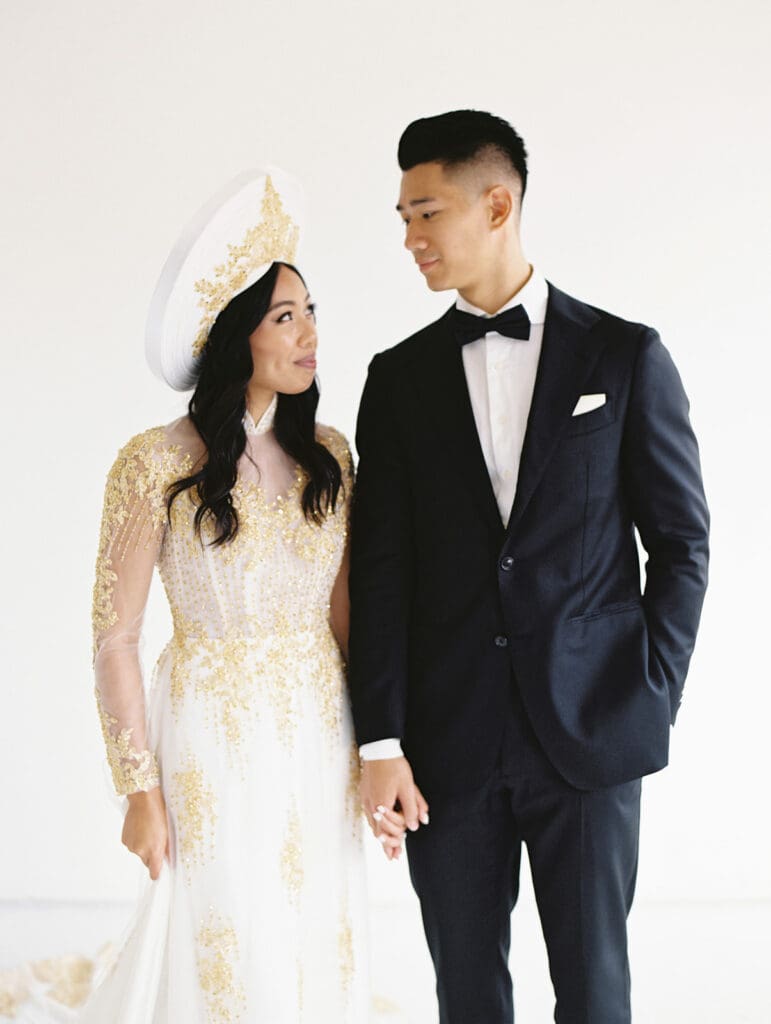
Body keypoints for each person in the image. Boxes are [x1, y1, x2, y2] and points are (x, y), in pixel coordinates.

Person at [349, 110, 710, 1023]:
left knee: (594, 988)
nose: (409, 238)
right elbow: (381, 572)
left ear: (496, 203)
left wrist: (649, 690)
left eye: (424, 213)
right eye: (401, 218)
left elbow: (680, 544)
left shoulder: (625, 355)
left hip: (591, 734)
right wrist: (380, 740)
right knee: (466, 992)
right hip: (445, 742)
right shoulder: (396, 380)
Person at [79, 168, 371, 1021]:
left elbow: (346, 618)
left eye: (311, 310)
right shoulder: (154, 463)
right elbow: (114, 638)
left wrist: (378, 745)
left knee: (316, 923)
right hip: (208, 728)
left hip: (320, 721)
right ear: (235, 333)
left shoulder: (332, 455)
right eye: (285, 316)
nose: (309, 332)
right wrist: (139, 788)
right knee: (229, 932)